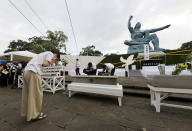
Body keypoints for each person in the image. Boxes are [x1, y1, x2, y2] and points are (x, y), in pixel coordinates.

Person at [21, 51, 60, 122]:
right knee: (36, 94)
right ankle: (35, 115)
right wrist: (52, 61)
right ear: (56, 55)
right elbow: (45, 64)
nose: (55, 60)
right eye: (56, 58)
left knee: (28, 94)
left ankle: (28, 112)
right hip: (33, 72)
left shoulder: (40, 54)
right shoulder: (50, 54)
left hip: (26, 72)